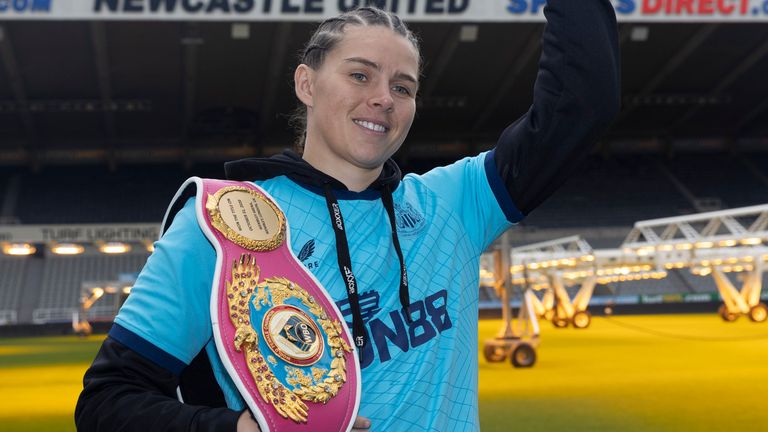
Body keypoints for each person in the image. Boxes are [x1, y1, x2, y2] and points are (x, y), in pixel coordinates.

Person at [75, 1, 620, 431]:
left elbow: (582, 102)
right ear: (307, 84)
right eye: (361, 76)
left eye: (402, 87)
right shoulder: (224, 223)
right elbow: (108, 402)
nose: (384, 97)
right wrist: (240, 430)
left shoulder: (455, 204)